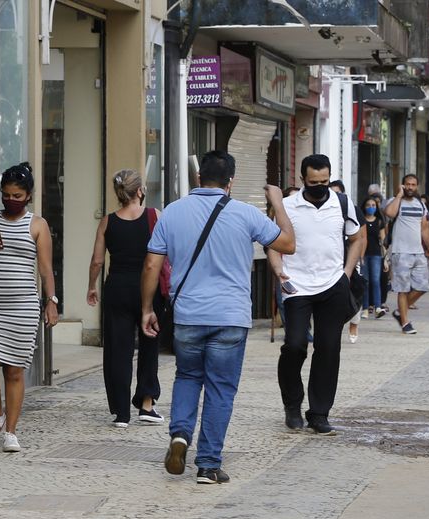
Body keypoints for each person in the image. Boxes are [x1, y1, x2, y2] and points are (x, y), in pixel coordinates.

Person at [140, 150, 296, 484]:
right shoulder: (246, 214)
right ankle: (208, 466)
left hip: (188, 315)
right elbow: (288, 243)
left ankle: (180, 435)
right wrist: (279, 205)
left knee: (187, 377)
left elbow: (152, 264)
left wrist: (147, 309)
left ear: (199, 179)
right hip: (230, 316)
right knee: (220, 389)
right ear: (231, 181)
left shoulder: (173, 213)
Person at [0, 162, 58, 453]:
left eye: (17, 195)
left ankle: (12, 432)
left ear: (28, 196)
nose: (11, 200)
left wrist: (51, 301)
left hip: (22, 307)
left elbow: (45, 269)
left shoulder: (37, 224)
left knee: (15, 373)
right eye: (6, 194)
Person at [271, 154, 364, 435]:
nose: (320, 186)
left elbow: (357, 238)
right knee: (295, 345)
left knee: (328, 348)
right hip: (296, 285)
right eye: (314, 183)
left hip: (332, 283)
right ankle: (292, 404)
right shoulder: (287, 206)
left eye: (324, 182)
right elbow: (273, 243)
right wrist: (278, 271)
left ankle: (319, 413)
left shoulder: (342, 203)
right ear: (302, 180)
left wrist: (346, 273)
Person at [87, 169, 164, 428]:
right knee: (149, 345)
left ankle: (121, 413)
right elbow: (165, 253)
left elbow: (98, 260)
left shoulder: (108, 221)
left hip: (117, 288)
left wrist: (91, 287)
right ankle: (146, 404)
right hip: (148, 288)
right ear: (140, 191)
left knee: (118, 350)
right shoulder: (154, 216)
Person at [383, 174, 429, 334]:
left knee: (423, 285)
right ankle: (405, 323)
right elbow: (389, 213)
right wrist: (399, 195)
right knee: (402, 289)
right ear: (402, 185)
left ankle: (399, 311)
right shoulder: (396, 201)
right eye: (407, 184)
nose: (410, 187)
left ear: (417, 186)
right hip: (400, 252)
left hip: (418, 252)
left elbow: (425, 229)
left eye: (413, 184)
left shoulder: (421, 204)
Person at [361, 195, 388, 319]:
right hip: (363, 255)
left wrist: (386, 260)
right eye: (368, 205)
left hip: (376, 255)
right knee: (365, 282)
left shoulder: (379, 221)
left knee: (375, 281)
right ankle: (365, 308)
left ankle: (378, 307)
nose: (371, 208)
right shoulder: (361, 221)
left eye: (373, 205)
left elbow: (383, 242)